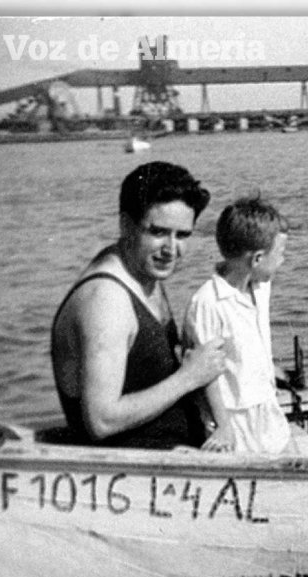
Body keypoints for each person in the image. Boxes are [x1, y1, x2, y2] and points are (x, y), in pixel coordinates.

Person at [50, 162, 226, 449]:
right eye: (158, 232)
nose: (171, 250)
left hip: (177, 460)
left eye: (182, 235)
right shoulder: (106, 301)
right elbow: (101, 420)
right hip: (131, 478)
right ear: (125, 225)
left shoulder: (143, 271)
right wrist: (189, 378)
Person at [183, 196, 293, 454]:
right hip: (234, 417)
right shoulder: (209, 302)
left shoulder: (259, 286)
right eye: (280, 254)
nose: (283, 260)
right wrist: (222, 426)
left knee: (297, 474)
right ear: (256, 259)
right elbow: (207, 371)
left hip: (266, 406)